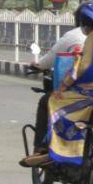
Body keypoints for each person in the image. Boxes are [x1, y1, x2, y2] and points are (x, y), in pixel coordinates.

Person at [21, 1, 93, 167]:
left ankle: (52, 150)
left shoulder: (92, 37)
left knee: (55, 101)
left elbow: (83, 67)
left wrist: (64, 85)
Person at [27, 25, 87, 154]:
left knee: (46, 101)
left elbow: (49, 61)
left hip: (82, 93)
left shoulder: (74, 36)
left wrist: (38, 65)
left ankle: (40, 148)